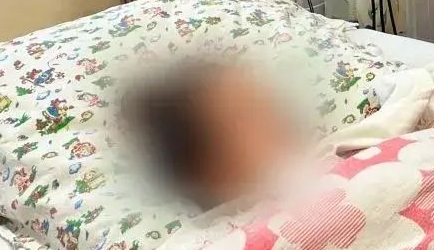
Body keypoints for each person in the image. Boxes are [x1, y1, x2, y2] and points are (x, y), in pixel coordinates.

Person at [123, 59, 306, 210]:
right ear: (213, 170)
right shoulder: (244, 224)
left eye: (264, 103)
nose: (274, 118)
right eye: (248, 114)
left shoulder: (298, 170)